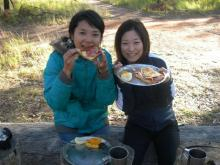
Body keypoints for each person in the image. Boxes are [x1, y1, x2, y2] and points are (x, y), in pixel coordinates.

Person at [43, 9, 116, 143]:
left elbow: (106, 100)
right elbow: (55, 103)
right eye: (82, 33)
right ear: (72, 34)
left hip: (98, 123)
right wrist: (66, 72)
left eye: (95, 34)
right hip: (68, 123)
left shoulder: (104, 58)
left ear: (100, 38)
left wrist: (104, 72)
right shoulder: (57, 59)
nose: (88, 40)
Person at [114, 19, 180, 165]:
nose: (131, 49)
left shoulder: (158, 63)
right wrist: (122, 82)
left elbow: (169, 98)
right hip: (137, 124)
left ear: (144, 42)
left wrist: (166, 81)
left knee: (169, 161)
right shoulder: (120, 69)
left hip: (166, 123)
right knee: (131, 161)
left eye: (136, 42)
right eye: (125, 43)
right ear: (119, 45)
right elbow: (124, 107)